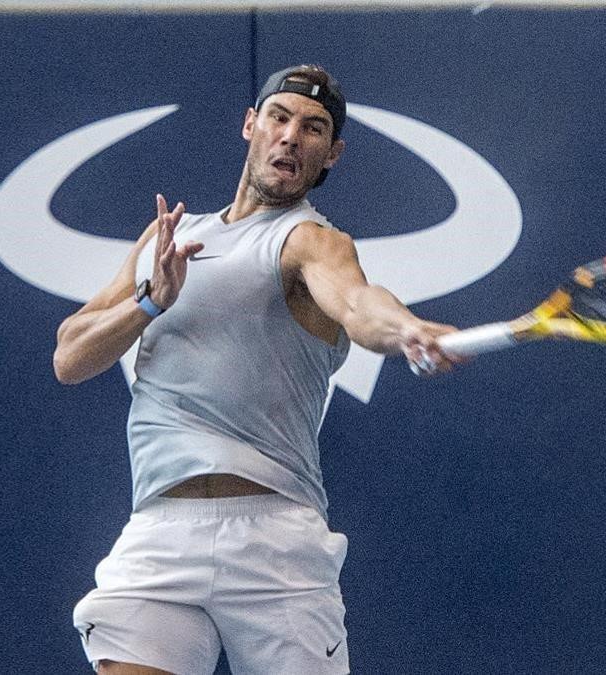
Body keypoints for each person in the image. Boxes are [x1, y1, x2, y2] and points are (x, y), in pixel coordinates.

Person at [55, 64, 460, 675]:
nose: (292, 136)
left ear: (331, 154)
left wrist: (407, 329)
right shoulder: (168, 239)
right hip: (160, 532)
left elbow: (357, 304)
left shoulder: (312, 242)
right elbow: (69, 356)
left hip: (275, 543)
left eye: (314, 128)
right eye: (280, 117)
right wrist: (148, 302)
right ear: (251, 126)